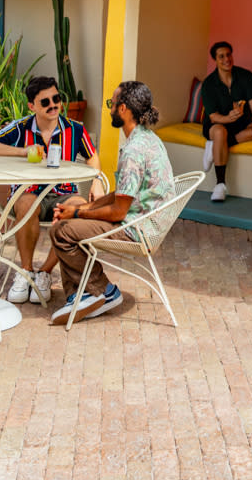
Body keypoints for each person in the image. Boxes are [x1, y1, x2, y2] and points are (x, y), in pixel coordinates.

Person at [48, 80, 174, 326]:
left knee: (61, 231)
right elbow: (122, 193)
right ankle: (79, 295)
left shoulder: (134, 150)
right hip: (145, 222)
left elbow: (118, 211)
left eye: (112, 104)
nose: (110, 109)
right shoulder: (148, 138)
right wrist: (83, 207)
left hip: (136, 230)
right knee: (68, 225)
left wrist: (76, 215)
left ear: (123, 109)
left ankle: (103, 291)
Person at [0, 75, 105, 304]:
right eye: (45, 102)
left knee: (77, 209)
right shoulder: (20, 128)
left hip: (64, 193)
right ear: (32, 106)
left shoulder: (75, 129)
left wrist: (96, 180)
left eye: (56, 98)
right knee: (27, 204)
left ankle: (44, 273)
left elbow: (93, 156)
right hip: (29, 192)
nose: (53, 105)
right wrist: (22, 151)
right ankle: (26, 272)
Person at [200, 41, 252, 202]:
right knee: (219, 132)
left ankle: (214, 145)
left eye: (228, 55)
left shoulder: (246, 76)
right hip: (216, 124)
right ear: (215, 60)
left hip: (239, 124)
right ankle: (220, 184)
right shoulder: (209, 83)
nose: (226, 59)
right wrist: (227, 118)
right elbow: (213, 116)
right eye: (221, 56)